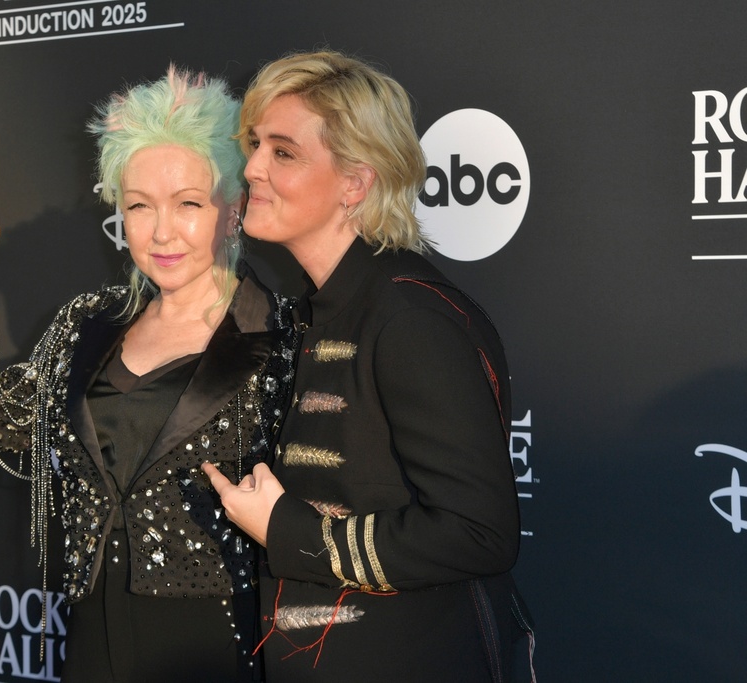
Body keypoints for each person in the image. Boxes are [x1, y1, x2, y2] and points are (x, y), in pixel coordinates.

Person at [0, 67, 296, 683]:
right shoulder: (89, 324)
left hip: (223, 640)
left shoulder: (282, 337)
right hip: (93, 632)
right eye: (140, 206)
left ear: (234, 210)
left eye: (189, 204)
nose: (161, 232)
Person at [203, 50, 536, 682]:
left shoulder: (410, 317)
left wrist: (286, 529)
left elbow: (478, 533)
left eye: (283, 152)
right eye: (254, 146)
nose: (250, 168)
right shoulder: (325, 310)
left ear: (356, 182)